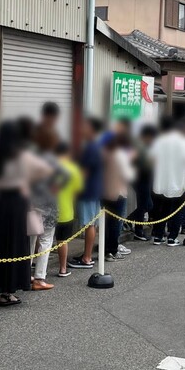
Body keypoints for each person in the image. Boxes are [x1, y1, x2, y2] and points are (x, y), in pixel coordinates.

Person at [0, 120, 53, 305]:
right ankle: (8, 292)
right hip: (16, 205)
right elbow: (45, 170)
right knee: (13, 247)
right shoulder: (20, 155)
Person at [30, 129, 68, 290]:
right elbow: (65, 177)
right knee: (45, 241)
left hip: (32, 204)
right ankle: (39, 278)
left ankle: (25, 276)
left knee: (30, 240)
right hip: (49, 206)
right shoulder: (53, 160)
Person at [149, 116, 185, 246]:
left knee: (161, 210)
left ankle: (158, 236)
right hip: (178, 181)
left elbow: (152, 160)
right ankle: (172, 237)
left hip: (161, 181)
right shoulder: (183, 142)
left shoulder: (159, 141)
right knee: (177, 210)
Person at [68, 117, 104, 269]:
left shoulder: (91, 147)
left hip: (88, 190)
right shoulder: (97, 145)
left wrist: (72, 188)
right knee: (92, 223)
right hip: (94, 190)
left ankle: (87, 258)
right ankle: (86, 255)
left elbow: (84, 173)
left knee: (89, 224)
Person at [103, 133, 135, 260]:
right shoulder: (121, 155)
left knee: (106, 222)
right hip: (119, 192)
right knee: (115, 222)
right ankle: (112, 250)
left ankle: (105, 249)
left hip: (105, 191)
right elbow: (129, 175)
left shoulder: (104, 153)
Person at [54, 142, 83, 277]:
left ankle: (35, 270)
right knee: (62, 240)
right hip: (65, 210)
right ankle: (63, 269)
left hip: (46, 210)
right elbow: (78, 189)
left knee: (42, 240)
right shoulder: (73, 169)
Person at [130, 125, 157, 240]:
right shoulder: (140, 147)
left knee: (146, 205)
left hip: (145, 179)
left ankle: (130, 220)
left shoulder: (145, 146)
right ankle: (138, 230)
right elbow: (141, 164)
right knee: (145, 205)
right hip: (141, 179)